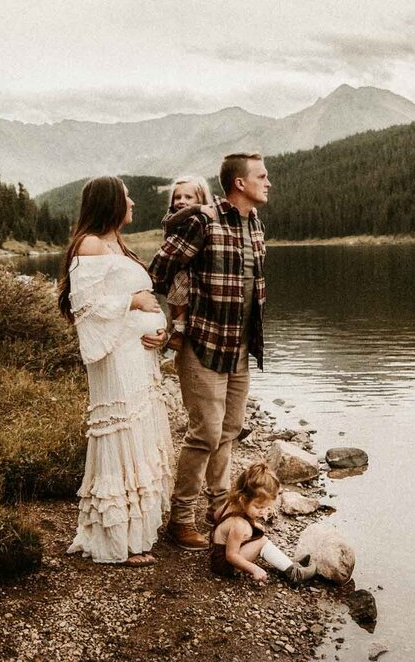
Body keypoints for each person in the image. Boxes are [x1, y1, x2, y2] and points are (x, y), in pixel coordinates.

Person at [149, 152, 270, 550]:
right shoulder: (203, 220)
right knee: (204, 433)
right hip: (203, 344)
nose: (268, 183)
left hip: (239, 347)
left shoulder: (254, 223)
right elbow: (159, 268)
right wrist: (170, 317)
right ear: (240, 183)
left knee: (230, 430)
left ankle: (220, 507)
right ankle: (180, 519)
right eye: (262, 176)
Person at [58, 176, 174, 566]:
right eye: (126, 197)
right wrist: (134, 301)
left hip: (137, 358)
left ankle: (135, 532)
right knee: (122, 431)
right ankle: (115, 540)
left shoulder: (115, 244)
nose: (133, 203)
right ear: (110, 202)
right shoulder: (89, 244)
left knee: (141, 432)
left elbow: (142, 302)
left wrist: (160, 329)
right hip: (115, 359)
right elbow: (85, 308)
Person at [208, 462, 316, 584]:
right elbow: (231, 556)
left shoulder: (231, 503)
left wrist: (224, 534)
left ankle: (286, 563)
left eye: (267, 507)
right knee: (262, 541)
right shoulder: (238, 525)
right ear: (243, 499)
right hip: (225, 565)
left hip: (216, 553)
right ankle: (295, 573)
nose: (263, 512)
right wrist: (254, 569)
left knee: (256, 531)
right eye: (259, 507)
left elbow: (217, 515)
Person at [160, 175, 215, 352]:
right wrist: (197, 208)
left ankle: (178, 331)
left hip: (192, 268)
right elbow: (170, 223)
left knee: (179, 296)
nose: (182, 201)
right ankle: (177, 330)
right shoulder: (172, 217)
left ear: (202, 199)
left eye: (188, 197)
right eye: (178, 197)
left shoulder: (201, 219)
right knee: (176, 297)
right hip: (178, 266)